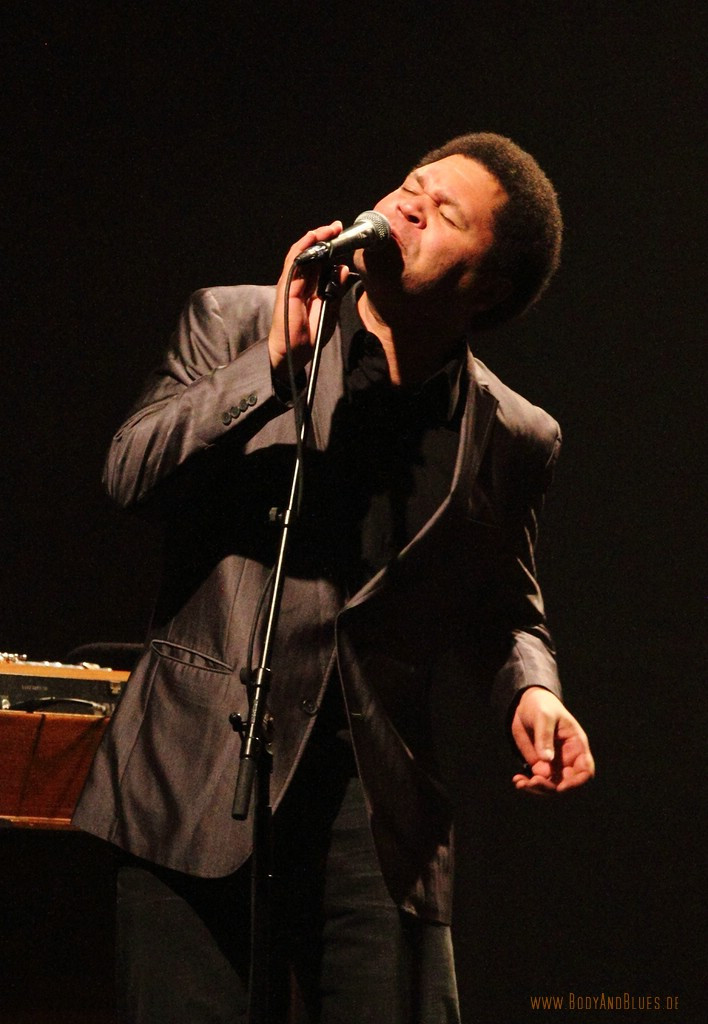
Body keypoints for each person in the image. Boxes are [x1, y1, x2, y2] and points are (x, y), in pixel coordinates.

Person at [74, 132, 595, 1024]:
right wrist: (269, 365)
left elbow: (506, 604)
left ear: (487, 288)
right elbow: (129, 475)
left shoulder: (515, 435)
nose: (409, 205)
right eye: (412, 185)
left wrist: (532, 689)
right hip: (196, 775)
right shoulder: (234, 321)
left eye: (445, 213)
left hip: (372, 811)